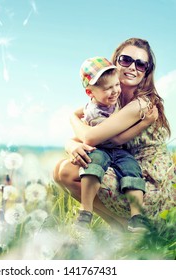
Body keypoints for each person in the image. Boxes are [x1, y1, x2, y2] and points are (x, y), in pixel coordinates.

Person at [53, 38, 176, 231]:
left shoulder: (143, 103)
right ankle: (120, 228)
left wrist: (72, 120)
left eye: (141, 64)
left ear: (146, 72)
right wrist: (71, 144)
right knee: (60, 170)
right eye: (126, 60)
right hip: (124, 169)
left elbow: (92, 137)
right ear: (115, 63)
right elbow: (91, 131)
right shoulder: (112, 100)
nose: (132, 67)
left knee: (67, 172)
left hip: (147, 184)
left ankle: (129, 228)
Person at [75, 56, 147, 232]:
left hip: (119, 152)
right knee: (92, 164)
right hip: (101, 148)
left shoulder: (115, 100)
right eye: (108, 88)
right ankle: (86, 210)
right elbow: (116, 138)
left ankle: (136, 216)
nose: (115, 91)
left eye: (116, 85)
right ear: (91, 93)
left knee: (132, 169)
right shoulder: (92, 112)